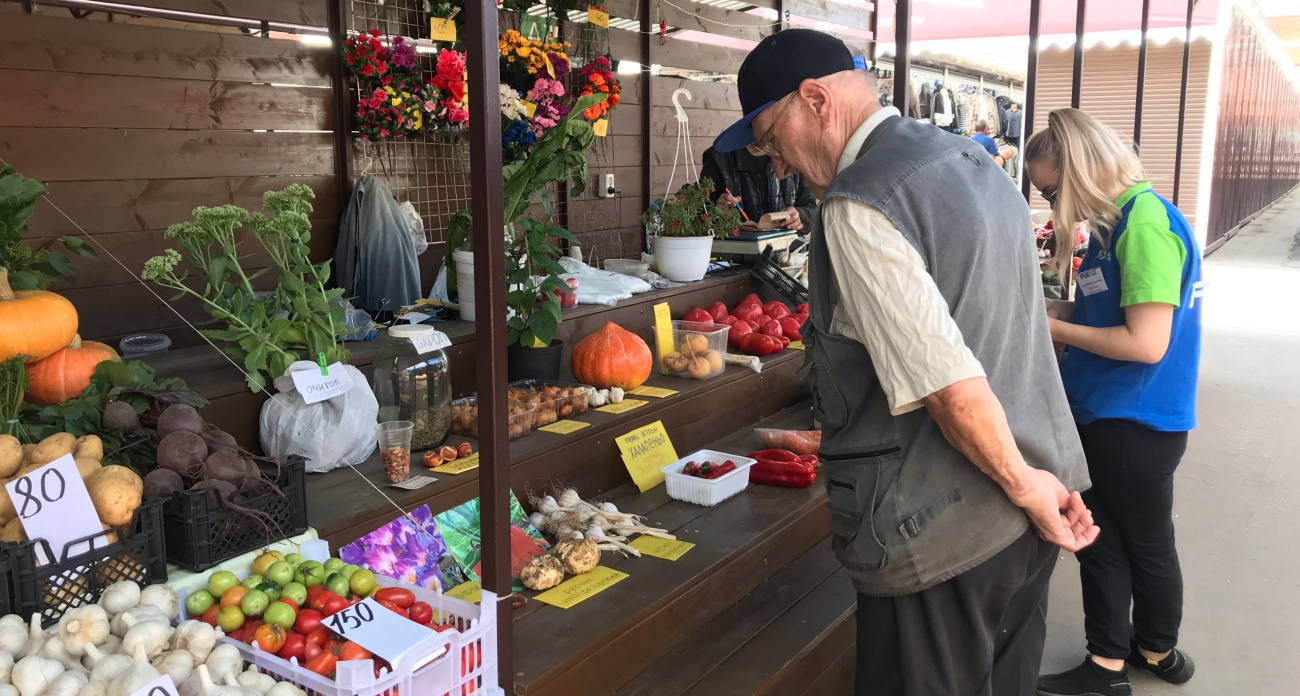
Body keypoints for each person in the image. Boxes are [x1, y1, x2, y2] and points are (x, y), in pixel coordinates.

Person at [712, 29, 1097, 696]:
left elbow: (951, 388)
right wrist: (1041, 485)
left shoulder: (862, 204)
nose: (775, 164)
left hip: (945, 533)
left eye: (773, 138)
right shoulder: (977, 165)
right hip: (1035, 502)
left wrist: (1024, 484)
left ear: (816, 101)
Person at [1027, 108, 1202, 696]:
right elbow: (1117, 314)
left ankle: (1105, 667)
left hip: (1127, 416)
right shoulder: (1126, 220)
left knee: (1100, 537)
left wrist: (1057, 332)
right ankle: (1157, 650)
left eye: (1051, 188)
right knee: (1148, 539)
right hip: (1137, 417)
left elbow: (1146, 343)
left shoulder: (1143, 225)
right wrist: (1061, 312)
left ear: (1078, 168)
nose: (1052, 202)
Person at [699, 146, 816, 231]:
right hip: (738, 258)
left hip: (788, 256)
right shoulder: (718, 158)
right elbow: (698, 217)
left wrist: (799, 216)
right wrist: (717, 210)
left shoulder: (795, 153)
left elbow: (812, 209)